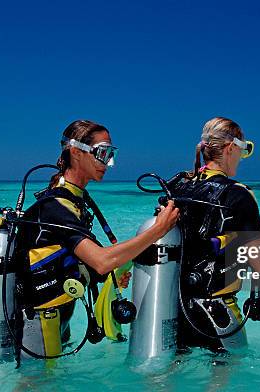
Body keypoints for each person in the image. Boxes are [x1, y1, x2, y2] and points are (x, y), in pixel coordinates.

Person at [14, 119, 179, 358]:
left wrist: (107, 277)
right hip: (38, 320)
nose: (108, 163)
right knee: (35, 384)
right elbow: (102, 260)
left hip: (57, 315)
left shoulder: (74, 201)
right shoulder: (55, 207)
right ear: (76, 153)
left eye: (111, 154)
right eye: (102, 153)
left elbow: (85, 262)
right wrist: (158, 230)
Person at [168, 116, 260, 354]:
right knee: (228, 372)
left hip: (174, 307)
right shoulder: (238, 195)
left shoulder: (178, 187)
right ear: (231, 148)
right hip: (217, 311)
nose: (242, 159)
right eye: (243, 150)